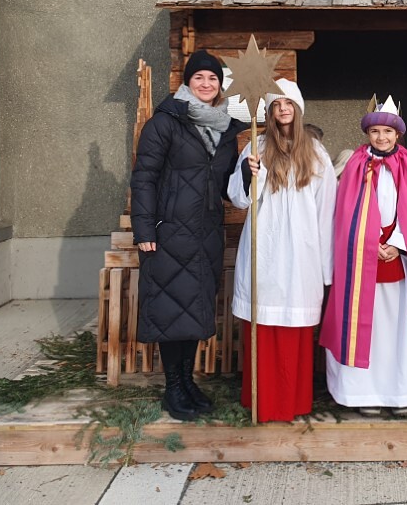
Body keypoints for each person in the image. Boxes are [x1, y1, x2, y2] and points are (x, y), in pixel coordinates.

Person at [130, 49, 245, 421]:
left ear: (220, 85)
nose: (206, 84)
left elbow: (226, 184)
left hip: (206, 232)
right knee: (171, 311)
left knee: (193, 310)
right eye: (199, 78)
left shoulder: (225, 129)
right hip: (169, 231)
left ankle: (187, 381)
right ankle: (173, 388)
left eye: (213, 78)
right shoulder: (165, 122)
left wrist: (248, 172)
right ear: (187, 82)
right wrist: (144, 229)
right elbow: (144, 177)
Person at [227, 78, 337, 422]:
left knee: (294, 327)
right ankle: (263, 400)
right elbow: (238, 197)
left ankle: (293, 401)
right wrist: (250, 173)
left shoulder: (315, 152)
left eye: (289, 103)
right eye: (277, 104)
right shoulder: (257, 145)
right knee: (263, 322)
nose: (283, 109)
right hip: (266, 248)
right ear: (270, 111)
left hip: (301, 252)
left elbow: (326, 211)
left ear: (298, 109)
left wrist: (326, 268)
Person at [320, 95, 407, 416]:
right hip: (360, 259)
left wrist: (397, 243)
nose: (381, 137)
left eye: (388, 132)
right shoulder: (356, 164)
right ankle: (362, 393)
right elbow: (344, 213)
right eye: (375, 131)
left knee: (397, 327)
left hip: (399, 256)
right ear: (368, 133)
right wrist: (369, 244)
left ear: (398, 134)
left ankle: (400, 392)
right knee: (365, 327)